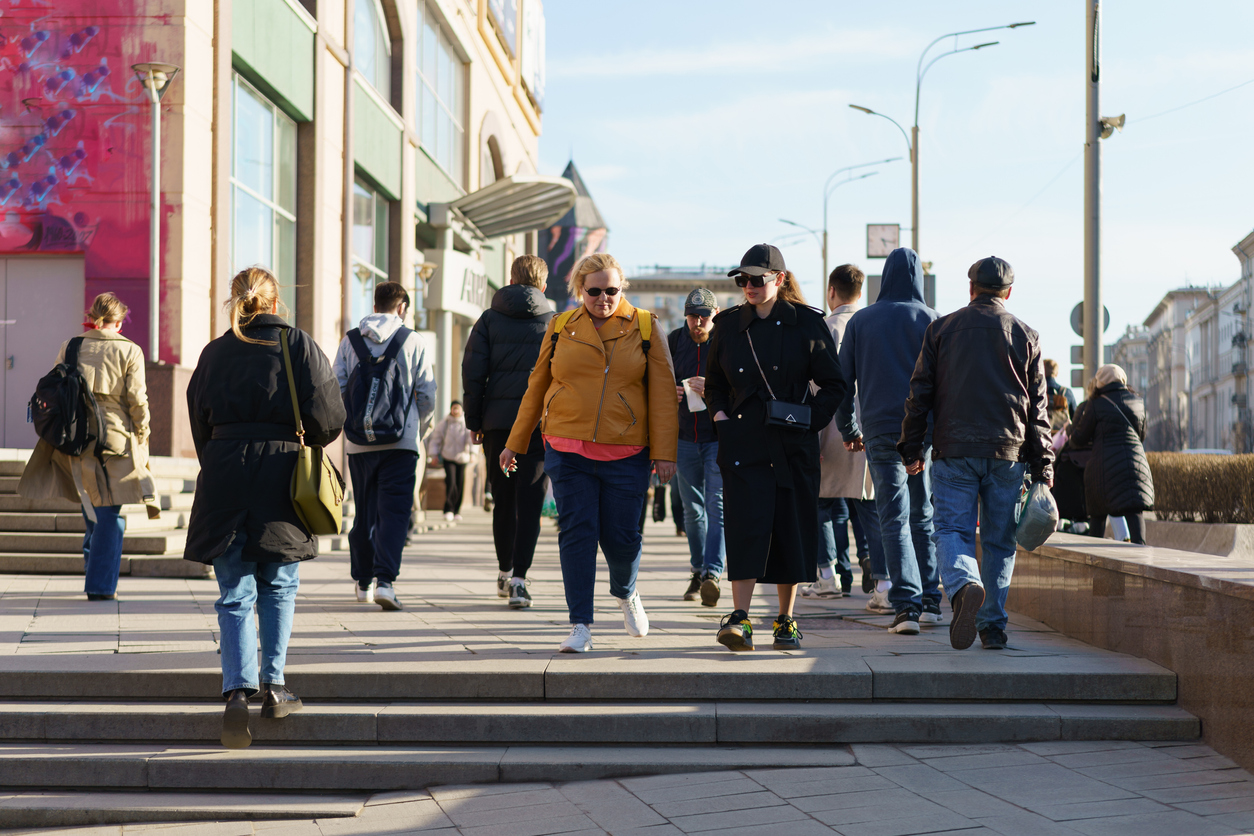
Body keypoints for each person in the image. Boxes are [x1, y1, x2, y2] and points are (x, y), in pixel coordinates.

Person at [184, 267, 345, 748]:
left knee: (233, 591)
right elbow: (329, 418)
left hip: (225, 473)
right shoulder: (297, 345)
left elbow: (199, 421)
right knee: (279, 585)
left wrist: (222, 456)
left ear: (237, 302)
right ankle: (274, 686)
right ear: (276, 303)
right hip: (282, 475)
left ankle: (236, 692)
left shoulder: (215, 351)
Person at [501, 253, 678, 653]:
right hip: (567, 447)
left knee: (622, 538)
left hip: (627, 450)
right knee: (577, 534)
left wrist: (665, 452)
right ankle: (580, 624)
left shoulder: (647, 327)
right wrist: (516, 440)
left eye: (611, 290)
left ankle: (626, 590)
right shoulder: (561, 326)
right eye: (594, 290)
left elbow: (664, 396)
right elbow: (537, 385)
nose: (603, 298)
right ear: (580, 290)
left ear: (622, 288)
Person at [899, 256, 1054, 651]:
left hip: (954, 449)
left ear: (971, 289)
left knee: (952, 529)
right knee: (1001, 541)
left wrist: (912, 447)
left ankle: (965, 583)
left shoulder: (941, 330)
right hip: (1009, 453)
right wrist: (1043, 468)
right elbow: (1038, 410)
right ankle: (993, 628)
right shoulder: (1027, 335)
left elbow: (919, 396)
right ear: (1009, 293)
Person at [706, 246, 845, 652]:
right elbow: (714, 382)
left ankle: (786, 620)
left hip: (791, 446)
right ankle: (740, 618)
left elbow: (835, 385)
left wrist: (807, 421)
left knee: (790, 531)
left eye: (757, 279)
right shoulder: (728, 325)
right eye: (742, 280)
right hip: (742, 444)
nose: (748, 286)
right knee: (744, 527)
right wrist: (719, 417)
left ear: (779, 279)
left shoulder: (806, 324)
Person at [19, 292, 158, 601]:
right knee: (110, 514)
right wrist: (143, 432)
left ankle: (94, 573)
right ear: (119, 322)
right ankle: (100, 585)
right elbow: (137, 399)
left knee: (93, 508)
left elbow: (55, 390)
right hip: (115, 439)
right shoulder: (129, 350)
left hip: (73, 436)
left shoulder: (71, 346)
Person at [836, 247, 941, 636]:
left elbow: (843, 382)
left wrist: (849, 429)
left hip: (880, 429)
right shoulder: (933, 320)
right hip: (923, 431)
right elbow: (942, 383)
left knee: (892, 516)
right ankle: (931, 601)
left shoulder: (862, 321)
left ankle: (907, 607)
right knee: (924, 513)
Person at [333, 281, 435, 610]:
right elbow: (427, 395)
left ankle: (362, 581)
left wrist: (352, 425)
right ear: (402, 307)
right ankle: (385, 582)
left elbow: (337, 388)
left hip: (360, 444)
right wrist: (417, 430)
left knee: (364, 512)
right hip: (401, 443)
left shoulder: (349, 341)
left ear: (374, 305)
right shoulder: (413, 341)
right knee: (394, 514)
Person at [462, 254, 554, 609]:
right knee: (531, 500)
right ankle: (519, 580)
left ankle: (503, 570)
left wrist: (474, 421)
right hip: (538, 426)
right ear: (543, 286)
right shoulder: (554, 321)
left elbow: (473, 371)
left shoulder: (488, 319)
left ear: (511, 278)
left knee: (503, 498)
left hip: (498, 424)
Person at [805, 265, 883, 601]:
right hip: (868, 430)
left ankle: (828, 576)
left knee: (821, 504)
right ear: (860, 292)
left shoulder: (822, 328)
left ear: (831, 291)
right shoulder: (872, 326)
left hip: (829, 430)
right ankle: (883, 584)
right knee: (870, 508)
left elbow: (813, 385)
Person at [668, 288, 725, 607]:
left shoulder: (726, 341)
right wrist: (670, 392)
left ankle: (713, 574)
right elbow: (658, 380)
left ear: (715, 313)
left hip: (718, 438)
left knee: (717, 506)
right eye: (693, 315)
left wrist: (713, 389)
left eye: (704, 315)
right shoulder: (675, 340)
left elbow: (742, 385)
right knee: (692, 509)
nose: (698, 321)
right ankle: (698, 570)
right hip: (684, 438)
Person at [1068, 363, 1154, 545]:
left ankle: (1094, 559)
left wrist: (1072, 432)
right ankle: (1141, 554)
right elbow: (1142, 435)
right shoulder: (1138, 402)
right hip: (1135, 465)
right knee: (1134, 511)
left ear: (1100, 382)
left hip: (1104, 470)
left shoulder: (1095, 404)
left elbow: (1079, 438)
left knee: (1098, 515)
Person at [429, 401, 475, 522]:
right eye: (453, 408)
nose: (455, 411)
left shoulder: (465, 423)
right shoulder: (444, 423)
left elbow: (471, 439)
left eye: (457, 409)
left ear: (461, 410)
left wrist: (472, 453)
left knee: (460, 484)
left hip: (462, 457)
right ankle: (448, 509)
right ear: (451, 410)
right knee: (451, 482)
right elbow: (436, 439)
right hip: (448, 457)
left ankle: (456, 511)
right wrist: (433, 454)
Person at [1044, 359, 1076, 433]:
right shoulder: (1066, 392)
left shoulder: (1036, 391)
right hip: (1061, 438)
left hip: (1041, 437)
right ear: (1056, 373)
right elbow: (1075, 418)